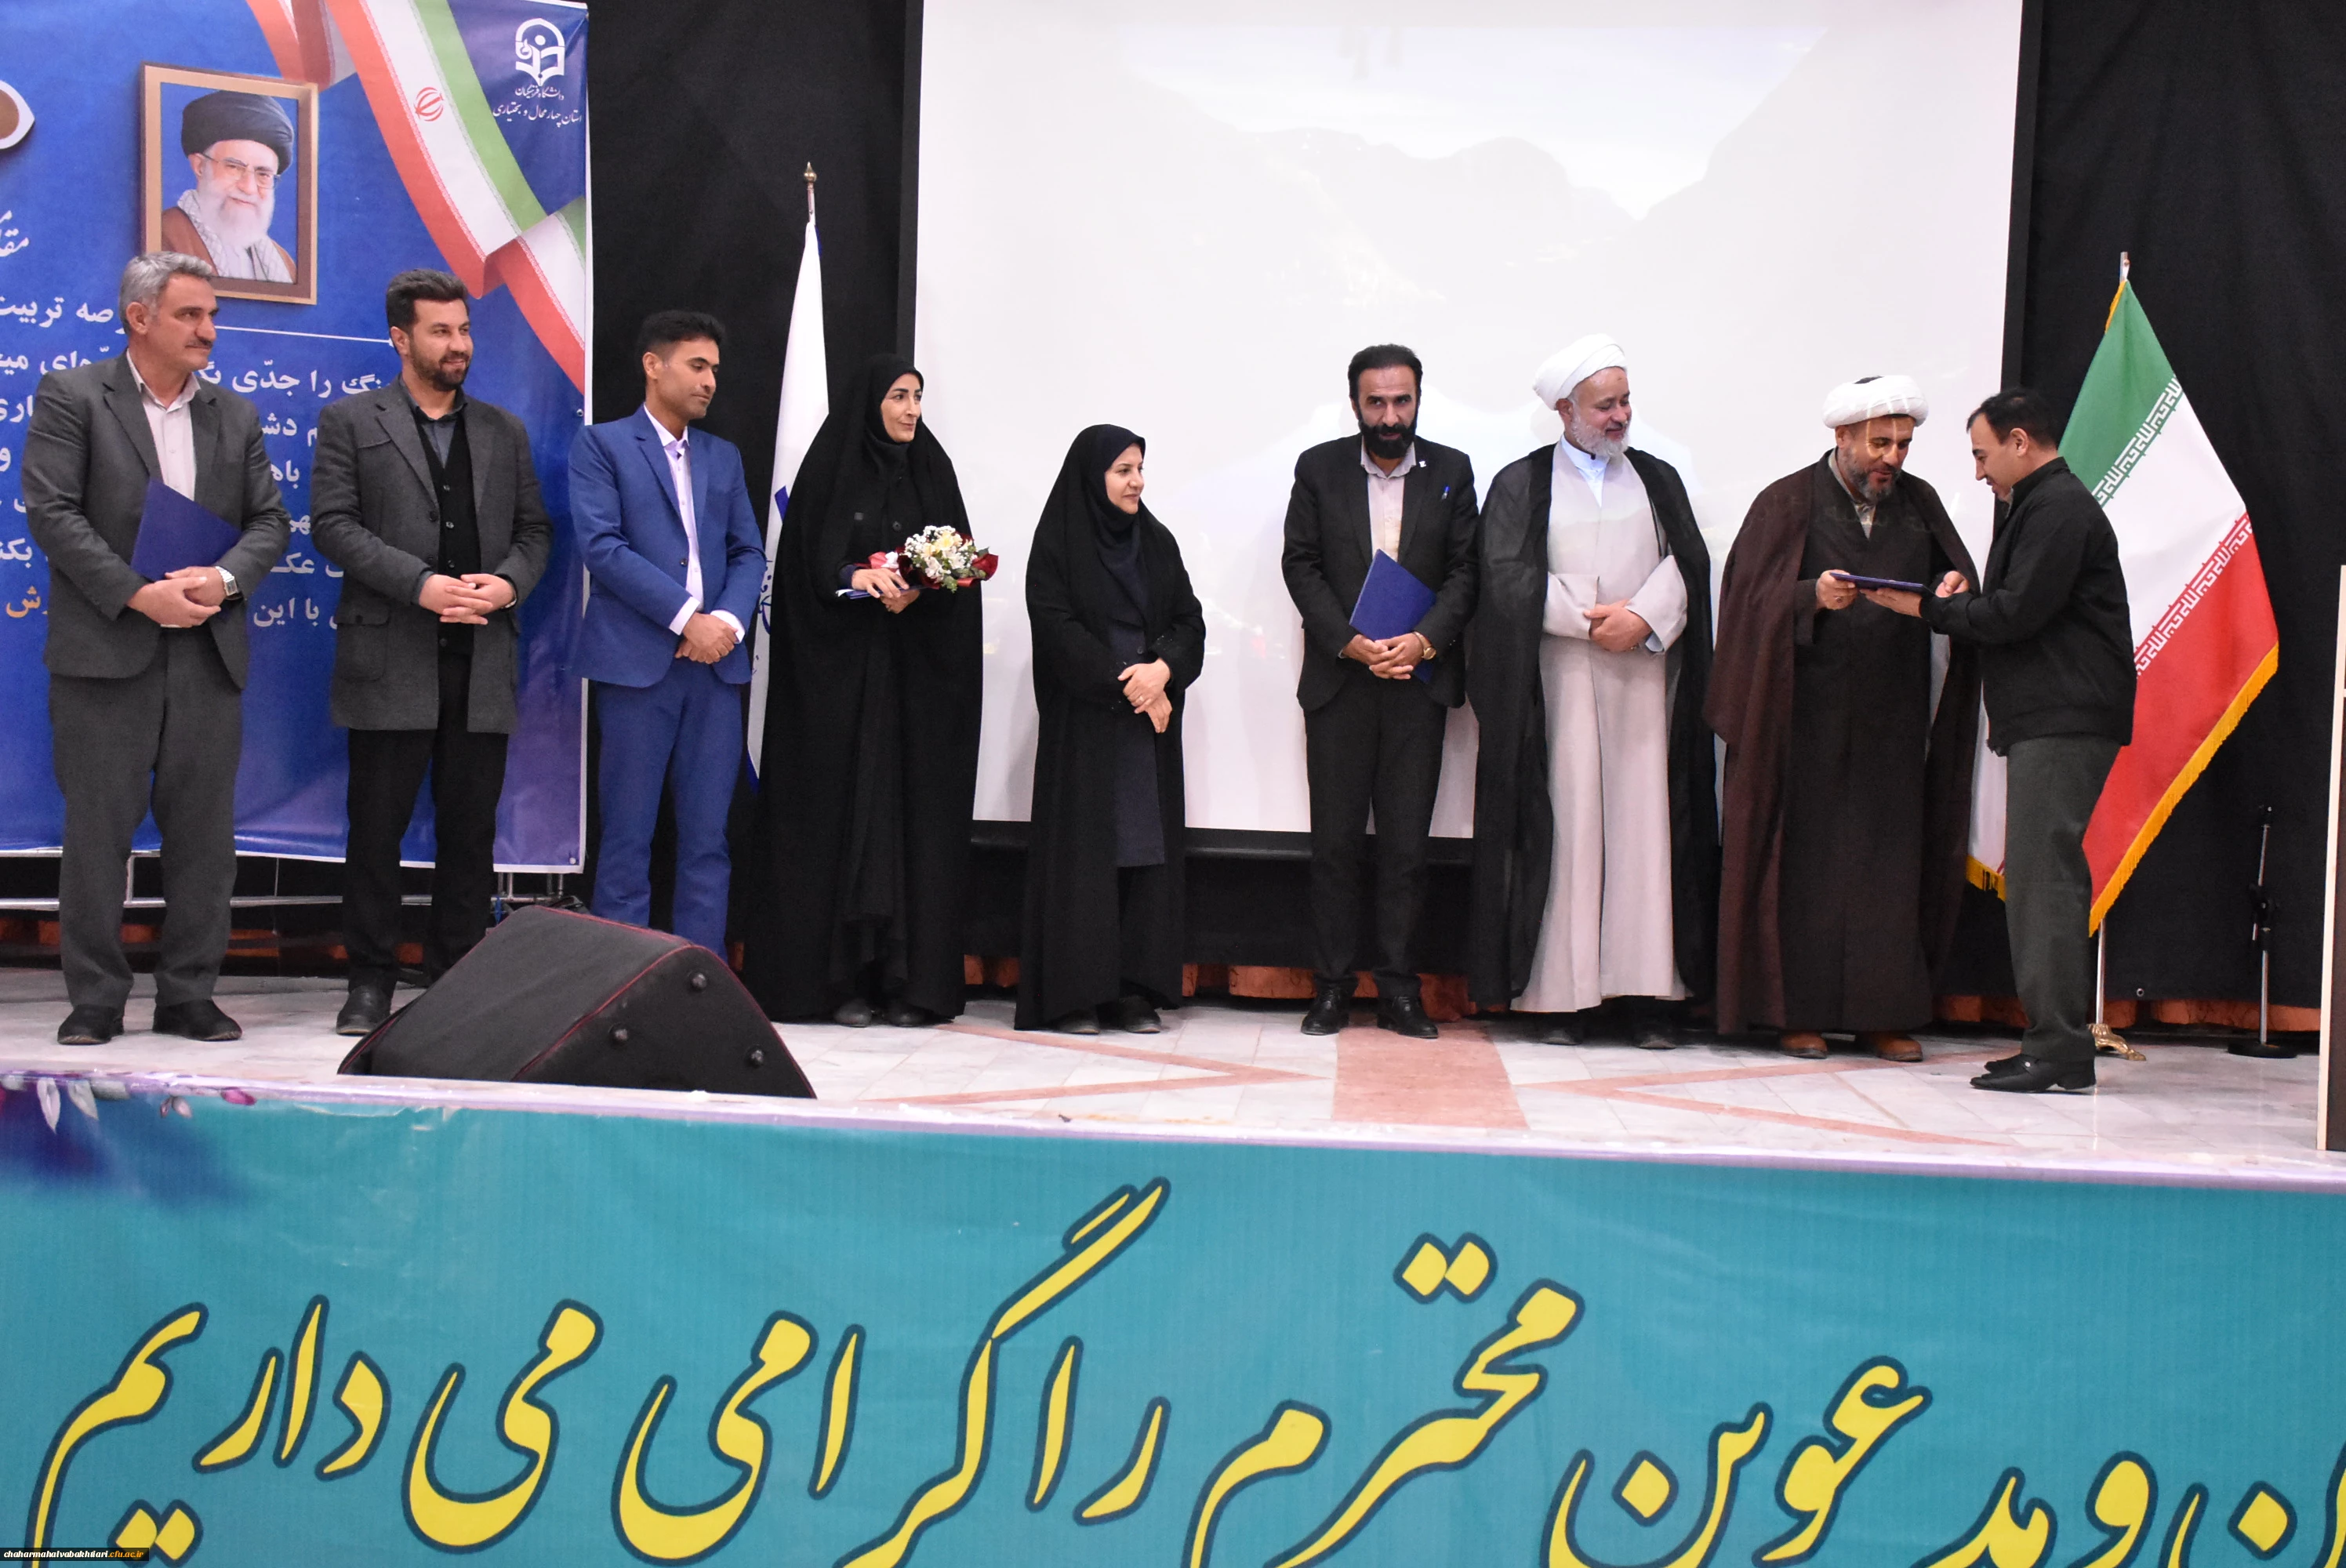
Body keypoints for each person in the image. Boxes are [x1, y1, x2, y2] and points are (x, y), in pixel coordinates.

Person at [21, 252, 289, 1044]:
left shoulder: (234, 414)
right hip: (106, 653)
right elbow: (53, 513)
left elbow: (269, 522)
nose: (209, 330)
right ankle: (96, 999)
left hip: (207, 652)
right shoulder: (74, 396)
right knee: (97, 835)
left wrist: (223, 579)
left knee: (204, 839)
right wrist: (140, 595)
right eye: (190, 315)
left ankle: (188, 995)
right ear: (139, 318)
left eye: (212, 316)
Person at [1865, 388, 2133, 1093]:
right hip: (2052, 715)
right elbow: (2016, 606)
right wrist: (1956, 605)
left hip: (2064, 717)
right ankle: (2051, 1041)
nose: (1979, 472)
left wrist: (1929, 608)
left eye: (1983, 455)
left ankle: (2060, 1050)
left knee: (2044, 884)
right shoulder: (2041, 506)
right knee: (2041, 880)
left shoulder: (2059, 508)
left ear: (2020, 441)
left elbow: (2015, 615)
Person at [1709, 376, 1981, 1062]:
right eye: (1879, 443)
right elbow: (1746, 603)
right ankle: (1795, 1014)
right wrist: (1810, 595)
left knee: (1887, 867)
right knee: (1806, 868)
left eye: (1903, 444)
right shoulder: (1786, 502)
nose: (1892, 457)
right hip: (1803, 722)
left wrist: (1954, 587)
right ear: (1842, 437)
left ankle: (1879, 1015)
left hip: (1893, 720)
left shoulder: (1919, 504)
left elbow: (1955, 582)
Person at [310, 269, 553, 1036]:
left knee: (469, 831)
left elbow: (534, 533)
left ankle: (456, 976)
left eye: (465, 330)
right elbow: (333, 526)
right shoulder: (351, 420)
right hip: (390, 656)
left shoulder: (503, 430)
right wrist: (418, 584)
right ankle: (370, 980)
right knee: (375, 830)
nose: (459, 345)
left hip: (480, 660)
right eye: (441, 331)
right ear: (401, 338)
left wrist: (506, 586)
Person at [1466, 335, 1715, 1050]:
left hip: (1645, 680)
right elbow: (1505, 576)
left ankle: (1648, 997)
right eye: (1605, 405)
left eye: (1625, 401)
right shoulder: (1522, 483)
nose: (1620, 416)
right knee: (1568, 834)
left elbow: (1689, 563)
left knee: (1645, 836)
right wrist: (1588, 620)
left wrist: (1643, 617)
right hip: (1561, 685)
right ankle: (1561, 999)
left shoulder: (1658, 478)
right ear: (1566, 411)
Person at [744, 354, 982, 1028]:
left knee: (909, 827)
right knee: (840, 823)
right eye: (899, 396)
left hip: (913, 691)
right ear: (870, 401)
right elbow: (802, 570)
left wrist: (925, 587)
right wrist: (854, 576)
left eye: (918, 397)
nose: (911, 410)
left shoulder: (933, 471)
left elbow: (961, 569)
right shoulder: (829, 468)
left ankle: (908, 983)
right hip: (840, 691)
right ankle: (837, 983)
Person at [1280, 344, 1480, 1040]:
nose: (1390, 417)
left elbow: (1466, 572)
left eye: (1402, 401)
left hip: (1416, 684)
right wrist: (1349, 641)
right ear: (1355, 403)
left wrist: (1423, 642)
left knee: (1405, 850)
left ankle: (1399, 991)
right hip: (1341, 683)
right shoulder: (1318, 468)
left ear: (1419, 399)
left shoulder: (1452, 471)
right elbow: (1300, 564)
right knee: (1334, 847)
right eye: (1377, 403)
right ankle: (1331, 989)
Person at [568, 311, 764, 955]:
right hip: (638, 666)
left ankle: (702, 981)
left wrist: (726, 623)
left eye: (715, 370)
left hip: (715, 669)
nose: (710, 382)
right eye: (697, 366)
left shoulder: (724, 456)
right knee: (628, 836)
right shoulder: (602, 446)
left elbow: (748, 552)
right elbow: (604, 547)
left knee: (708, 839)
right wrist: (688, 618)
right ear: (653, 366)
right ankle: (617, 981)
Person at [1017, 426, 1205, 1036]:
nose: (1137, 482)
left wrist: (1164, 669)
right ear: (1092, 476)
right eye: (1124, 470)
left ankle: (1131, 990)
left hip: (1145, 730)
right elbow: (1057, 628)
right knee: (1086, 857)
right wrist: (1130, 683)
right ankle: (1076, 994)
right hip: (1088, 724)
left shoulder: (1157, 542)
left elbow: (1190, 622)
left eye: (1140, 469)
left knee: (1141, 851)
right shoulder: (1058, 544)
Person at [161, 92, 296, 283]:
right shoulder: (164, 235)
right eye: (234, 167)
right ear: (200, 167)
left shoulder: (284, 264)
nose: (249, 188)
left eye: (263, 175)